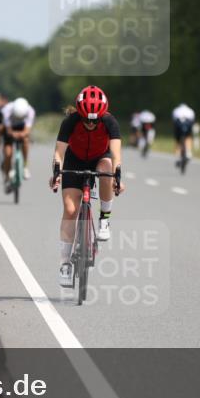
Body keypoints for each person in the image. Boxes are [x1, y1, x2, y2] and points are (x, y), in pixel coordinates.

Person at [50, 85, 123, 287]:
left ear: (101, 116)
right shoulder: (70, 122)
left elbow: (116, 153)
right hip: (75, 160)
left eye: (95, 121)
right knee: (70, 209)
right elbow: (59, 152)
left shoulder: (109, 121)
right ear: (79, 115)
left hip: (100, 157)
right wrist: (56, 173)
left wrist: (118, 176)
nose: (90, 124)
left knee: (107, 168)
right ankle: (65, 263)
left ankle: (105, 219)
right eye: (86, 120)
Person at [0, 97, 35, 191]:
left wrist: (22, 134)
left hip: (22, 128)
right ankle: (7, 175)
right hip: (10, 127)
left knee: (26, 141)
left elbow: (27, 130)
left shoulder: (30, 111)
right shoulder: (6, 110)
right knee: (8, 154)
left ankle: (25, 166)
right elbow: (8, 129)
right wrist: (12, 134)